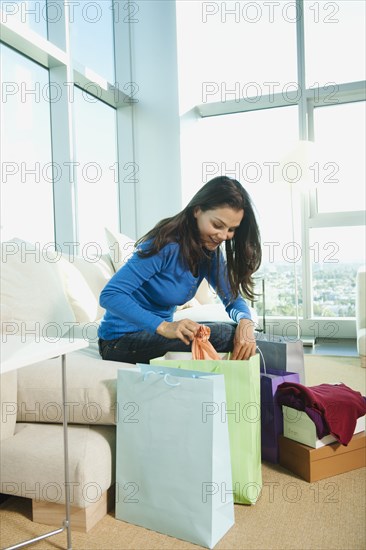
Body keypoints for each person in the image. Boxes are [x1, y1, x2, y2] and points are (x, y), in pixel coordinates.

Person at [98, 176, 262, 364]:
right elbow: (110, 295)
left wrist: (245, 321)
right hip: (120, 341)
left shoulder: (209, 253)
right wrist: (164, 327)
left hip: (153, 336)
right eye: (217, 225)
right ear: (197, 211)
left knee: (243, 333)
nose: (224, 236)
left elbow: (231, 298)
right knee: (226, 334)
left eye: (231, 229)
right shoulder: (165, 244)